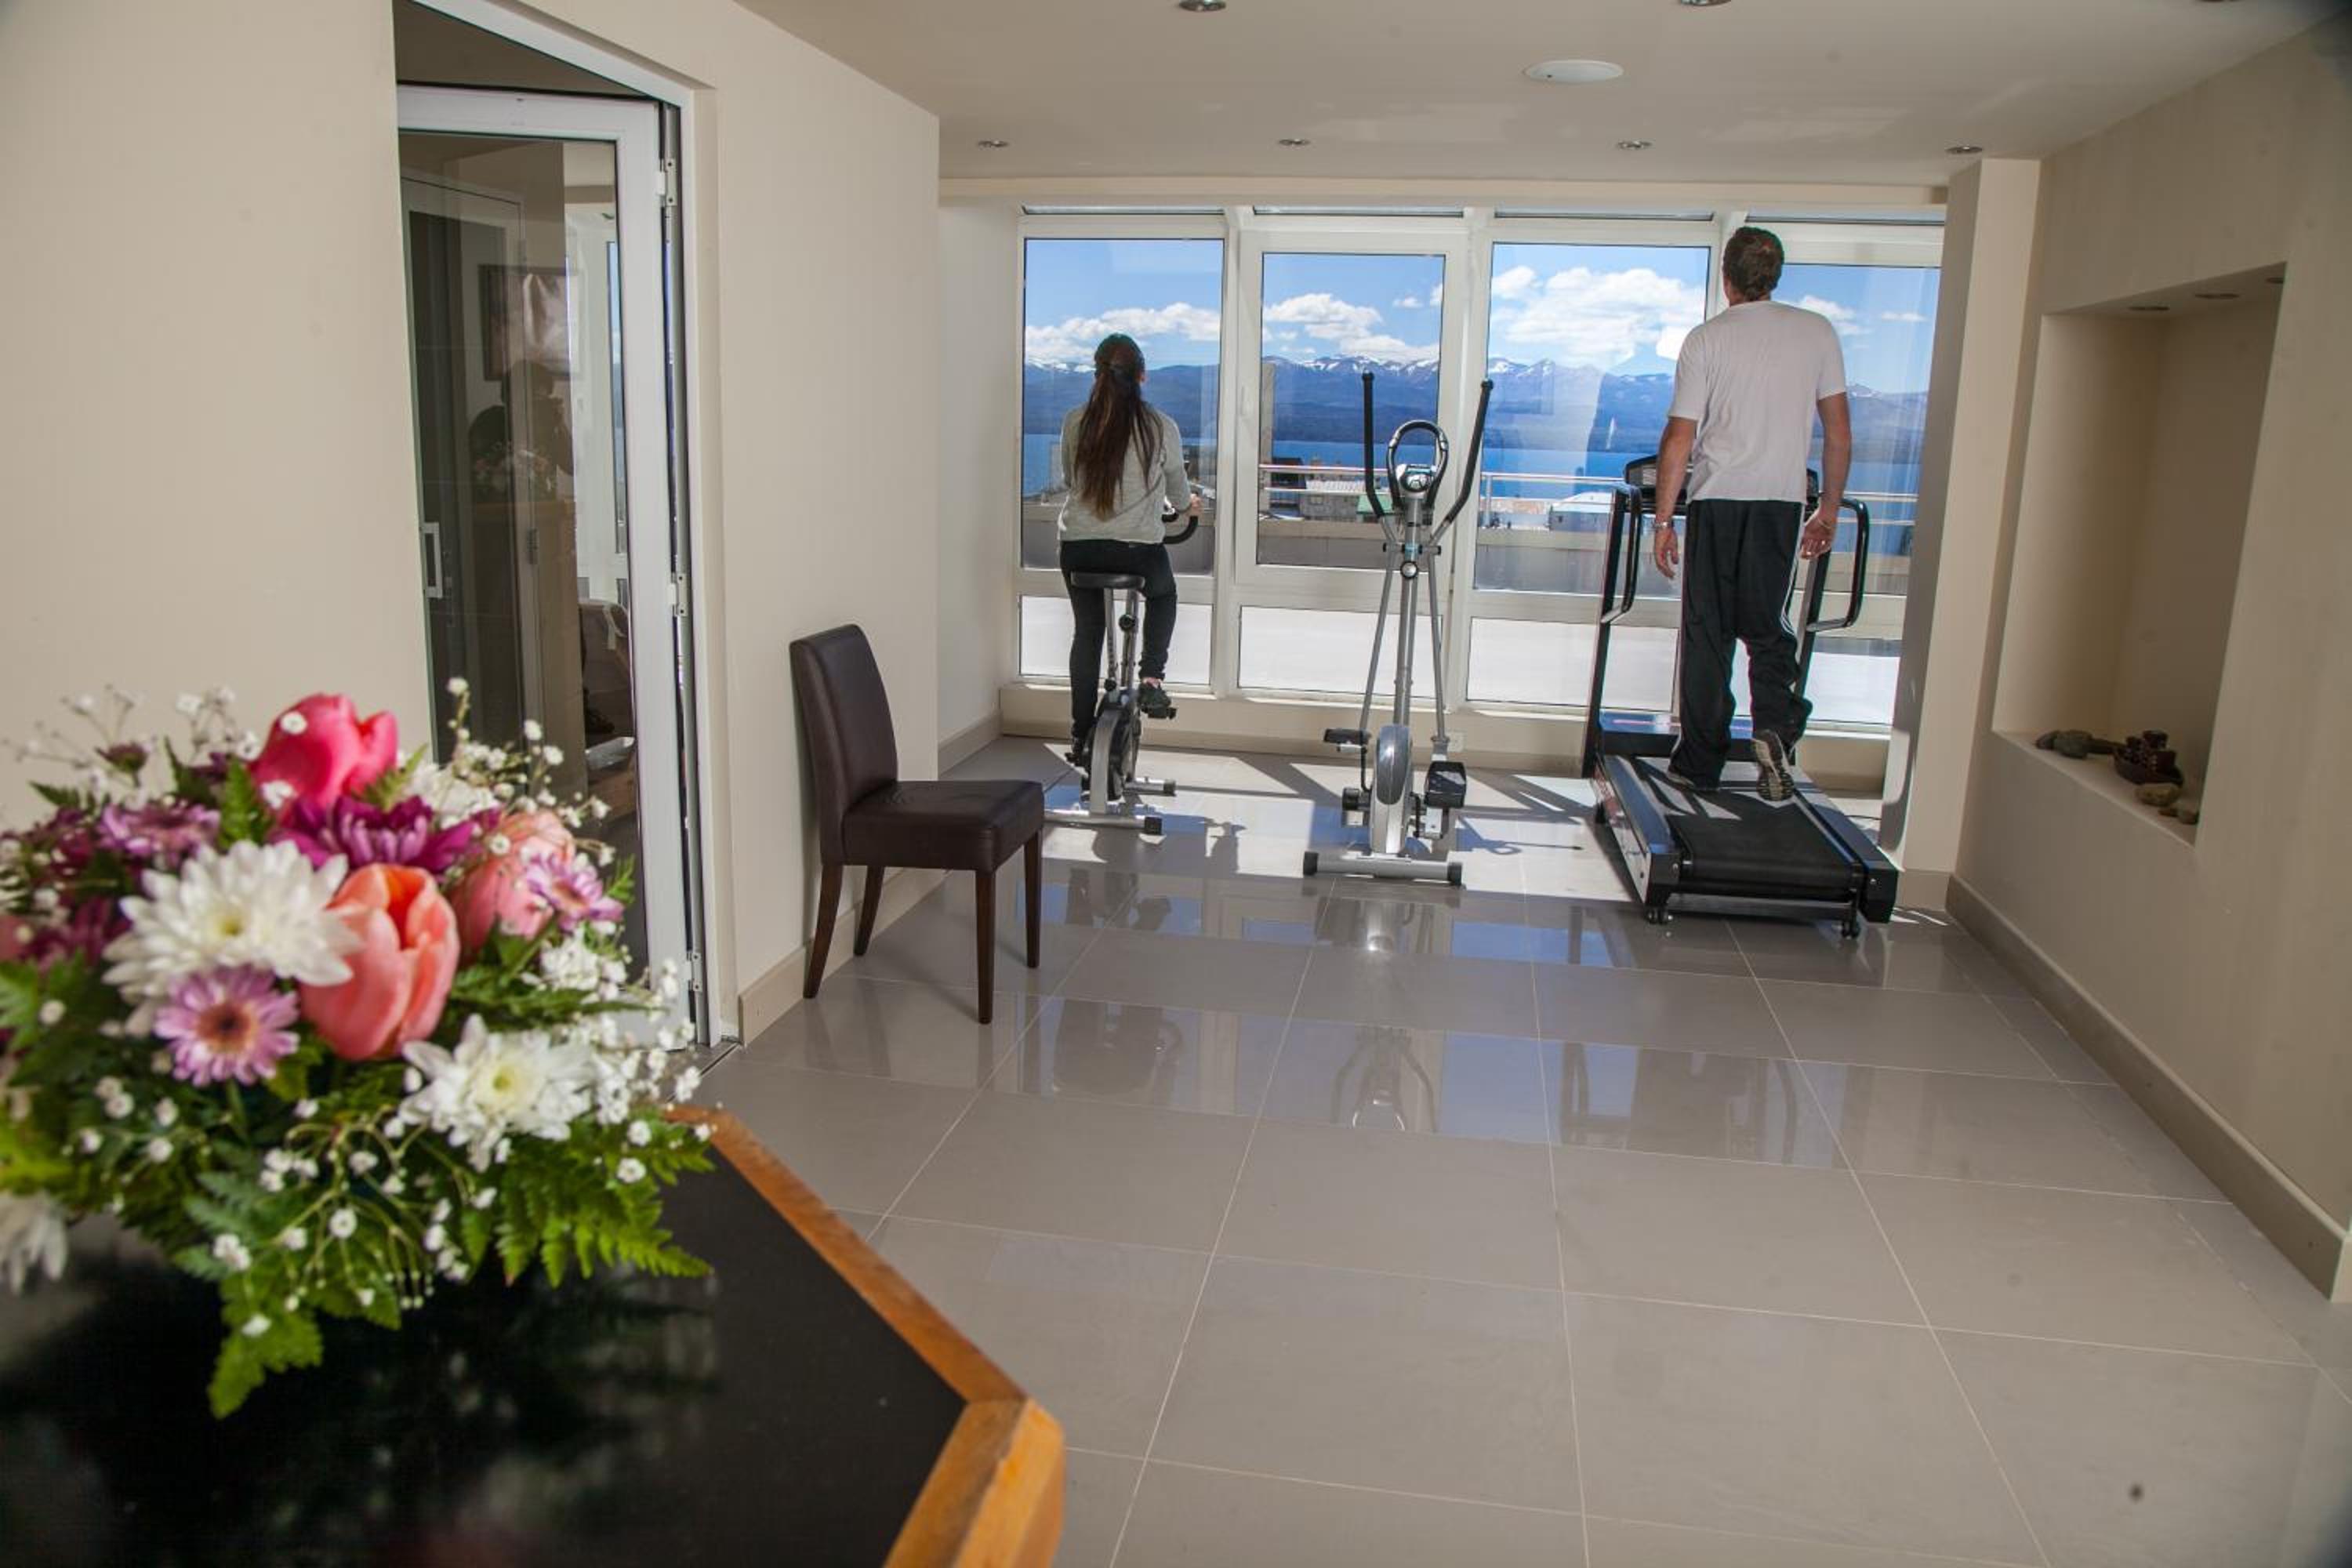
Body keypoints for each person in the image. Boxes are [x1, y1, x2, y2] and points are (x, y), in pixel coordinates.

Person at [1649, 225, 1850, 802]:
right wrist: (1828, 510)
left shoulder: (1706, 339)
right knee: (1767, 629)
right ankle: (1775, 730)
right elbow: (1838, 434)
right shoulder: (1816, 331)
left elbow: (1680, 438)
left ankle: (1699, 762)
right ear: (1775, 276)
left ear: (1726, 278)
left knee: (1707, 634)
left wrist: (1663, 522)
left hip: (1716, 500)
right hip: (1779, 503)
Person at [1058, 333, 1199, 758]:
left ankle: (1081, 734)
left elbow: (1070, 479)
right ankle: (1151, 679)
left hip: (1078, 547)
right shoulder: (1160, 426)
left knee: (1088, 632)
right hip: (1137, 550)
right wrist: (1186, 506)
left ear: (1097, 375)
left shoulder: (1075, 421)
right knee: (1163, 594)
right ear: (1142, 377)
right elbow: (1177, 489)